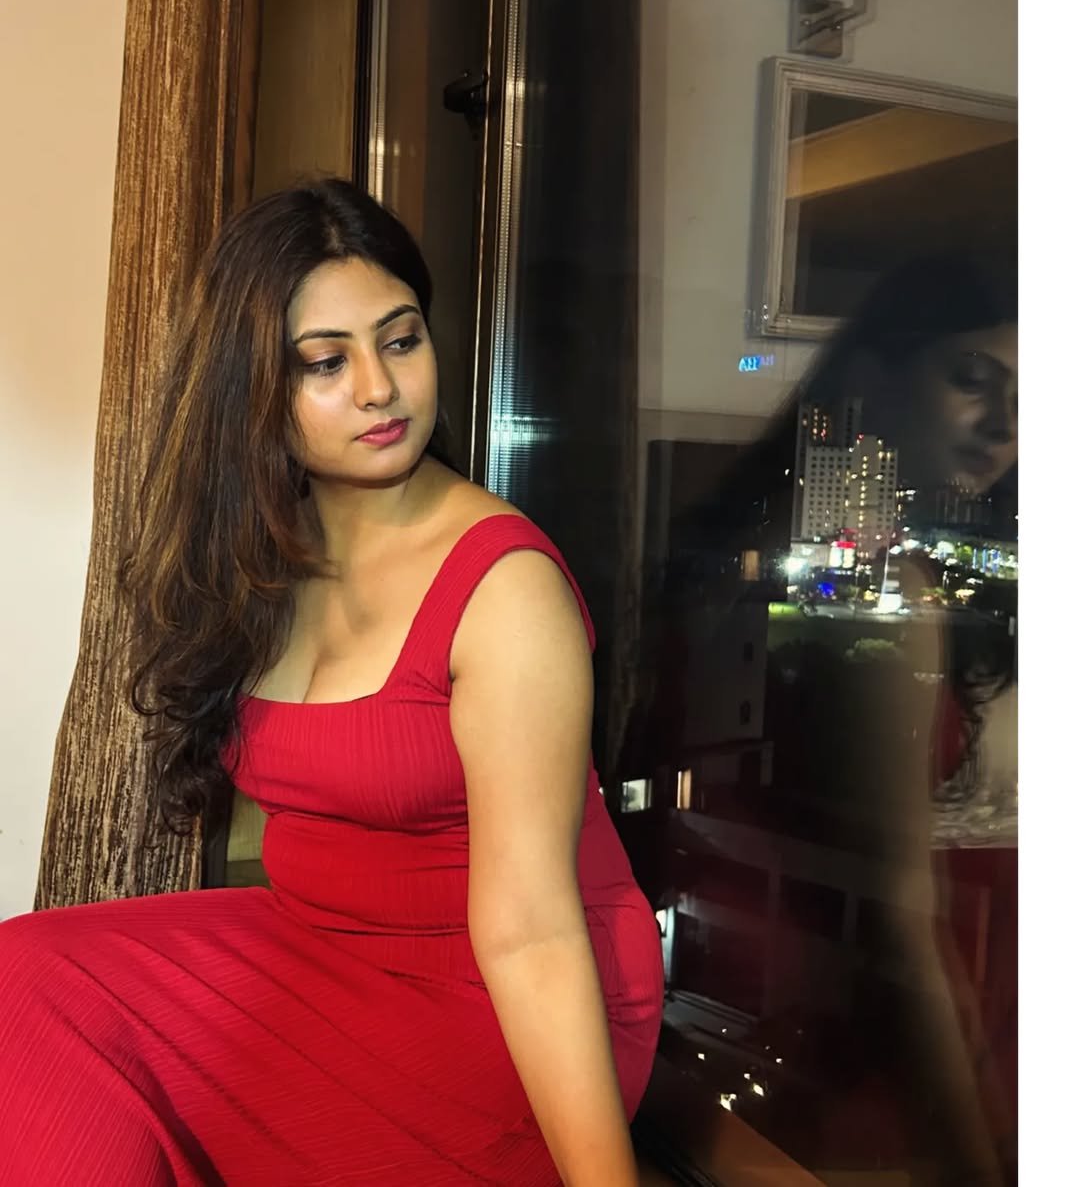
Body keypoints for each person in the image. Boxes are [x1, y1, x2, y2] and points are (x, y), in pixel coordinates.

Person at [0, 179, 664, 1185]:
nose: (378, 388)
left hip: (492, 1000)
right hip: (323, 947)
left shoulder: (504, 588)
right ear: (250, 390)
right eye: (325, 361)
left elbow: (531, 931)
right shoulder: (266, 557)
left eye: (401, 340)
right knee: (29, 979)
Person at [621, 252, 1017, 1184]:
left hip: (743, 1008)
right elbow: (894, 916)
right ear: (876, 372)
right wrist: (975, 1159)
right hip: (833, 1041)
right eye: (973, 378)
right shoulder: (870, 587)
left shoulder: (760, 542)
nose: (1007, 426)